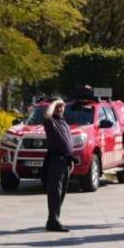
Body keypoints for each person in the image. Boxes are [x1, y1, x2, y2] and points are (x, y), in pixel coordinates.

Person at [41, 99, 76, 232]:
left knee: (61, 192)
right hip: (56, 160)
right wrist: (55, 102)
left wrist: (71, 160)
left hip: (65, 160)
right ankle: (53, 221)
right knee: (55, 192)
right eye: (57, 108)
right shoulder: (51, 122)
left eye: (62, 107)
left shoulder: (63, 122)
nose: (60, 109)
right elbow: (46, 114)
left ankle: (53, 220)